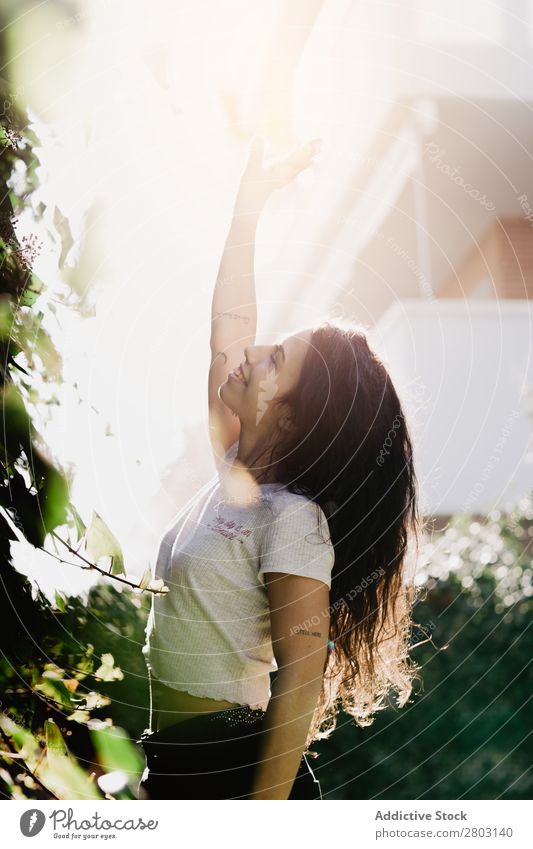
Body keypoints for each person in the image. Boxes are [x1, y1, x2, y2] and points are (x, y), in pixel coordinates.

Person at [138, 137, 423, 801]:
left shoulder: (292, 519)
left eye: (273, 361)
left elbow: (298, 679)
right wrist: (249, 205)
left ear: (290, 418)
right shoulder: (235, 477)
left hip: (235, 777)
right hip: (178, 764)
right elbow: (227, 330)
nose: (252, 351)